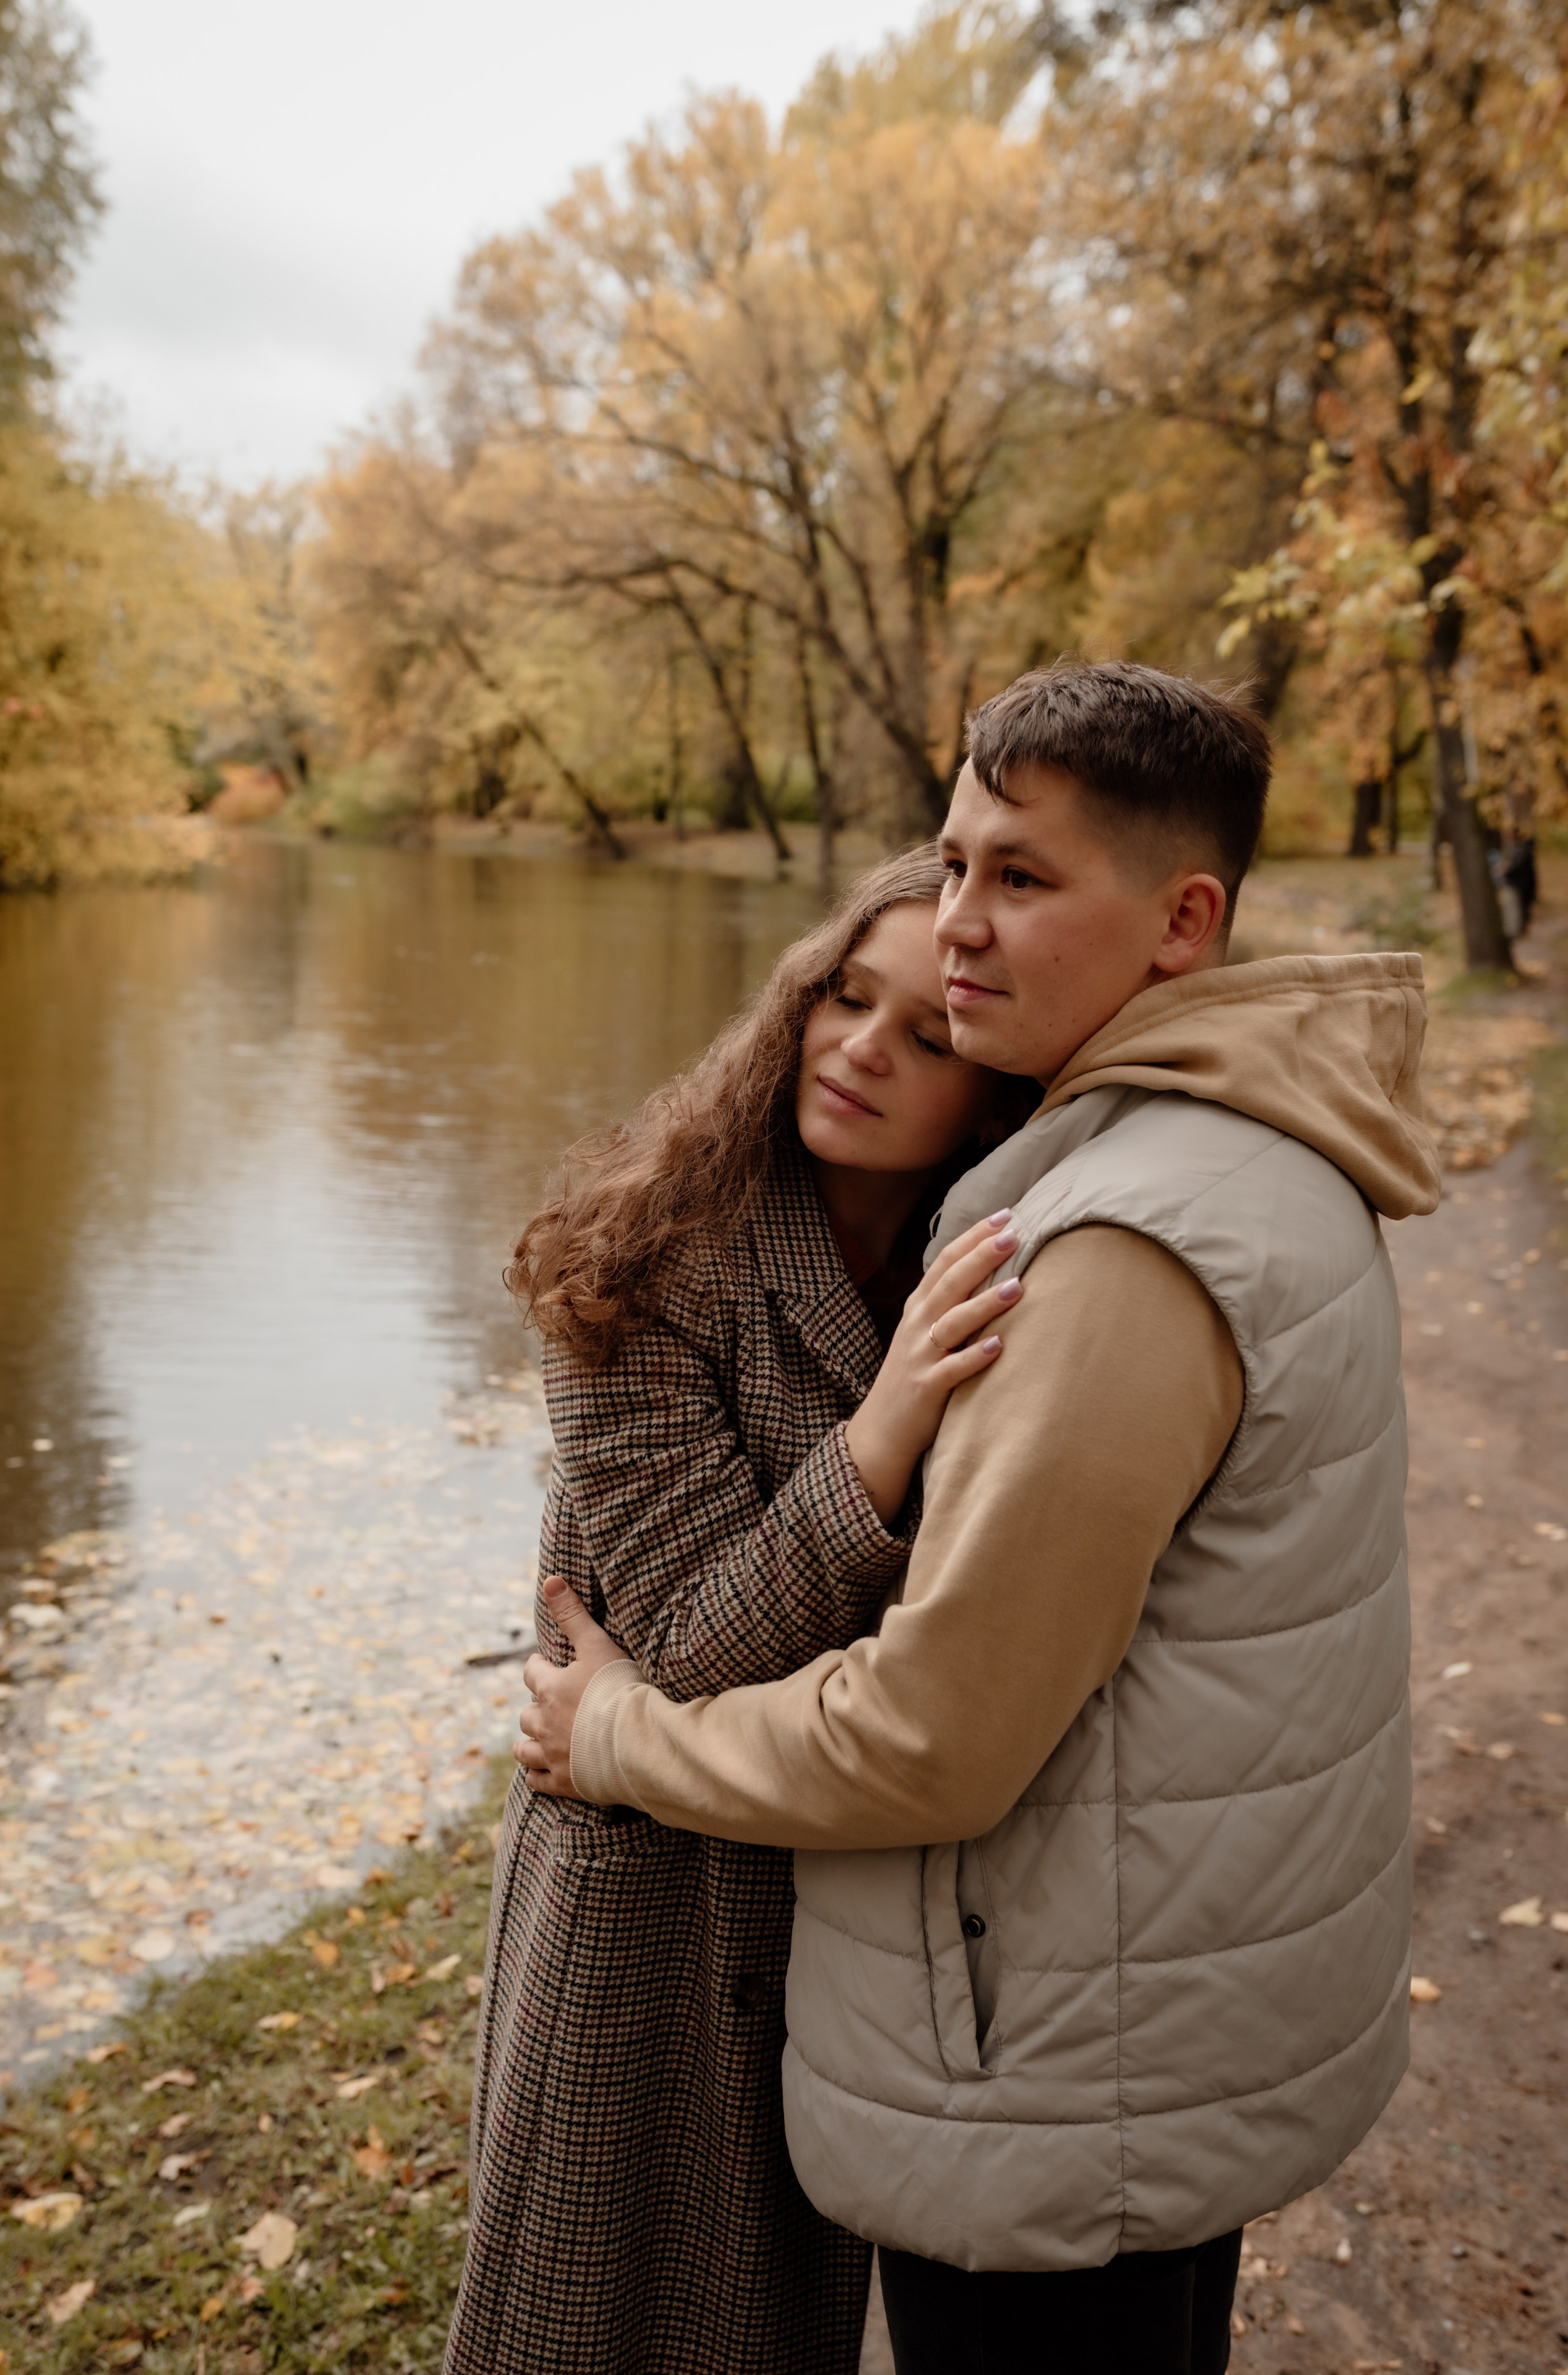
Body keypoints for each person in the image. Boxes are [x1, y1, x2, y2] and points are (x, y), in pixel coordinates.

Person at [517, 661, 1444, 2375]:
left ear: (1181, 923)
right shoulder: (1238, 1159)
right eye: (950, 867)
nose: (954, 931)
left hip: (1053, 2061)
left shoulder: (1096, 1244)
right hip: (1046, 2011)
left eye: (1018, 879)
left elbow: (934, 1737)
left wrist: (623, 1733)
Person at [443, 848, 1035, 2375]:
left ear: (989, 1088)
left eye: (927, 1036)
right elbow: (692, 1648)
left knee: (777, 2326)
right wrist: (885, 1428)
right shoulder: (633, 1256)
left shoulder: (987, 1270)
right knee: (599, 2319)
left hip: (860, 1884)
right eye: (846, 997)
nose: (861, 1051)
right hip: (645, 1893)